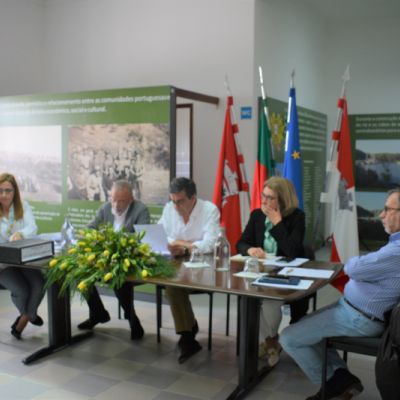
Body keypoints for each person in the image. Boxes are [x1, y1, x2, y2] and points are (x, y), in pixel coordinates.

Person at [280, 188, 400, 400]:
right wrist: (364, 270)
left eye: (387, 209)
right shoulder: (394, 245)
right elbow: (363, 268)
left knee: (288, 338)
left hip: (361, 318)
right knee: (304, 326)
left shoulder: (396, 250)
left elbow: (353, 268)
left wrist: (360, 267)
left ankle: (332, 384)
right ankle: (342, 380)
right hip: (353, 310)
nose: (381, 215)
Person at [237, 176, 308, 367]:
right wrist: (250, 250)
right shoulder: (256, 215)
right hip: (259, 271)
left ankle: (268, 342)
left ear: (283, 200)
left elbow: (292, 251)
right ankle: (271, 342)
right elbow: (241, 242)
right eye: (263, 196)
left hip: (286, 274)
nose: (264, 201)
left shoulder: (297, 217)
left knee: (269, 300)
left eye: (270, 198)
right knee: (247, 299)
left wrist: (277, 223)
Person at [77, 179, 150, 340]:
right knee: (79, 274)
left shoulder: (140, 210)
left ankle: (132, 319)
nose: (116, 205)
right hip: (104, 257)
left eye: (122, 201)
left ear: (131, 199)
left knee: (118, 278)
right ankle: (98, 313)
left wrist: (114, 240)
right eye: (114, 200)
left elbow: (142, 237)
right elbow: (90, 228)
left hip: (129, 258)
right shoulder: (105, 208)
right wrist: (93, 237)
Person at [159, 177, 220, 363]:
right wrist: (187, 244)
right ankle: (188, 334)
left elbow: (211, 244)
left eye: (180, 201)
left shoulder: (209, 210)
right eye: (173, 201)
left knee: (173, 287)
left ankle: (188, 334)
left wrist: (184, 247)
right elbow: (162, 236)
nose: (175, 206)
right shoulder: (169, 209)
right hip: (176, 264)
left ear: (193, 198)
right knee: (171, 285)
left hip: (204, 267)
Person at [0, 173, 45, 339]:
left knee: (40, 283)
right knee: (22, 291)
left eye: (8, 191)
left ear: (15, 192)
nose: (4, 195)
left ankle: (25, 317)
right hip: (3, 265)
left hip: (23, 260)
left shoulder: (23, 206)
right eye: (0, 191)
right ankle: (28, 317)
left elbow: (33, 227)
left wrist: (21, 233)